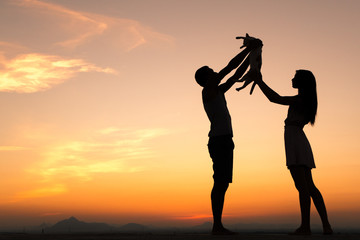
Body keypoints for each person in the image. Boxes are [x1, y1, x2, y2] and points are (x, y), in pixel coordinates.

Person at [251, 69, 333, 235]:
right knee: (310, 187)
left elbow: (275, 98)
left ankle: (306, 227)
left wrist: (259, 81)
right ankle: (325, 226)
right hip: (298, 139)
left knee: (303, 187)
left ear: (302, 82)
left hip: (295, 140)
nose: (292, 79)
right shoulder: (305, 100)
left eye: (295, 77)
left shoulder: (300, 100)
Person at [195, 38, 262, 235]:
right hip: (219, 141)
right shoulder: (208, 91)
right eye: (211, 71)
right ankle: (217, 226)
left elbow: (236, 74)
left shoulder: (217, 91)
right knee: (220, 182)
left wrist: (253, 54)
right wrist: (249, 49)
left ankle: (218, 225)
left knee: (222, 183)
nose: (215, 72)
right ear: (206, 79)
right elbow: (229, 68)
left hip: (224, 140)